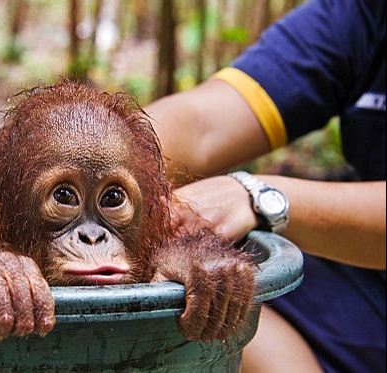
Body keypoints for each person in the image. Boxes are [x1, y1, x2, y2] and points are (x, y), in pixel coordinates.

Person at [146, 0, 385, 372]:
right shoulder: (361, 16)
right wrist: (96, 156)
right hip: (357, 290)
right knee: (203, 295)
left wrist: (257, 197)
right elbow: (205, 123)